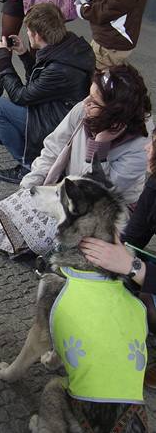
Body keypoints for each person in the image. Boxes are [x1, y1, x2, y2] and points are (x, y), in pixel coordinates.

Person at [0, 64, 153, 261]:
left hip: (103, 207)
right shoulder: (84, 109)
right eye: (89, 94)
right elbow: (53, 147)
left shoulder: (141, 143)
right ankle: (34, 245)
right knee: (17, 208)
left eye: (95, 101)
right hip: (69, 189)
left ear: (113, 113)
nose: (86, 103)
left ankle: (47, 250)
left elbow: (98, 190)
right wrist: (30, 183)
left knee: (61, 239)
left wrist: (99, 147)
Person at [0, 3, 95, 183]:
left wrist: (3, 61)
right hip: (53, 111)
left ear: (37, 35)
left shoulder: (60, 68)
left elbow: (21, 96)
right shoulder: (65, 47)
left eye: (29, 31)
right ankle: (39, 152)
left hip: (57, 123)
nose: (27, 34)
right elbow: (39, 84)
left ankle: (28, 165)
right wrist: (24, 54)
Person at [80, 127, 156, 388]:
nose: (148, 147)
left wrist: (133, 267)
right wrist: (107, 249)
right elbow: (134, 236)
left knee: (141, 291)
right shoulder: (155, 180)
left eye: (154, 143)